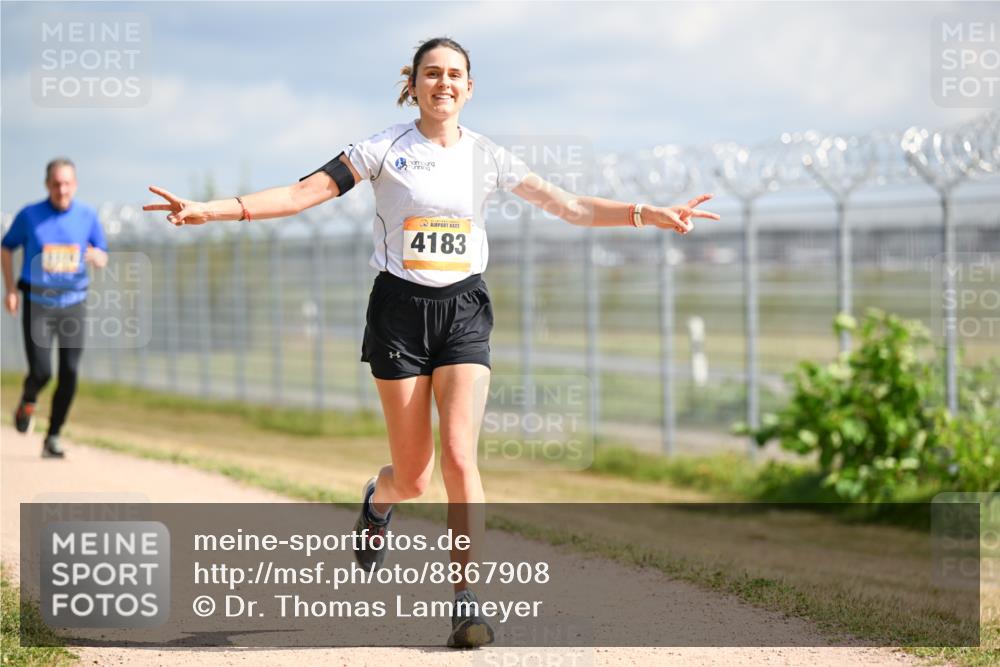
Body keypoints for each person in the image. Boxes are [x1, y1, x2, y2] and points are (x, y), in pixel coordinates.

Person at [143, 36, 719, 648]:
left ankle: (466, 599)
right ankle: (377, 501)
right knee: (414, 477)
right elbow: (299, 194)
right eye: (431, 73)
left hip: (465, 309)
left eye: (455, 75)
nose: (443, 83)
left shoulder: (487, 156)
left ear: (469, 88)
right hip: (399, 313)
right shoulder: (382, 149)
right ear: (412, 83)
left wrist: (644, 213)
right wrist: (214, 210)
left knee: (461, 458)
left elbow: (570, 206)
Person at [2, 158, 109, 458]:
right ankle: (28, 399)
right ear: (47, 185)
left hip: (73, 302)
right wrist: (10, 289)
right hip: (38, 303)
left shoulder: (87, 216)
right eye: (56, 183)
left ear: (74, 185)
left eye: (67, 183)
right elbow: (6, 246)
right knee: (42, 371)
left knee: (70, 371)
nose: (62, 189)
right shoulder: (30, 215)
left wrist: (98, 258)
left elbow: (102, 253)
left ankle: (53, 436)